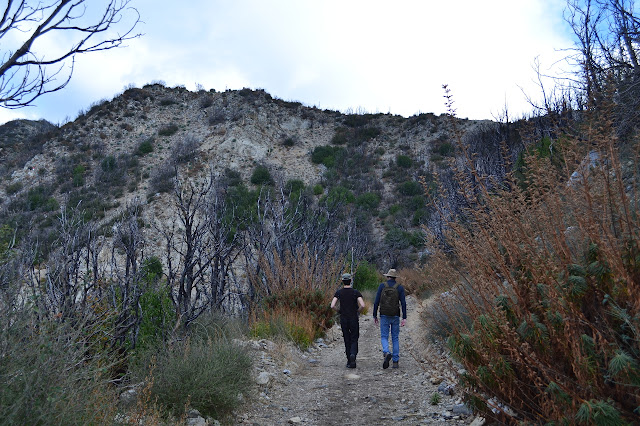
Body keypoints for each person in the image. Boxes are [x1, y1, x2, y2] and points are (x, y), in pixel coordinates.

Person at [373, 269, 407, 369]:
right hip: (395, 315)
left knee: (384, 336)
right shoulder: (399, 287)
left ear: (388, 276)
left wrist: (374, 315)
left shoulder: (382, 286)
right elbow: (403, 303)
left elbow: (376, 301)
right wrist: (404, 317)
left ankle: (386, 352)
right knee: (395, 337)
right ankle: (395, 361)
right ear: (395, 277)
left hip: (384, 314)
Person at [331, 273, 365, 368]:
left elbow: (332, 305)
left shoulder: (339, 293)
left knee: (347, 338)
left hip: (344, 318)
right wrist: (357, 311)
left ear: (342, 281)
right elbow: (362, 305)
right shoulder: (355, 292)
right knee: (354, 338)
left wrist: (339, 311)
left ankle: (349, 361)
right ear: (350, 281)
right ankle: (353, 354)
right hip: (353, 318)